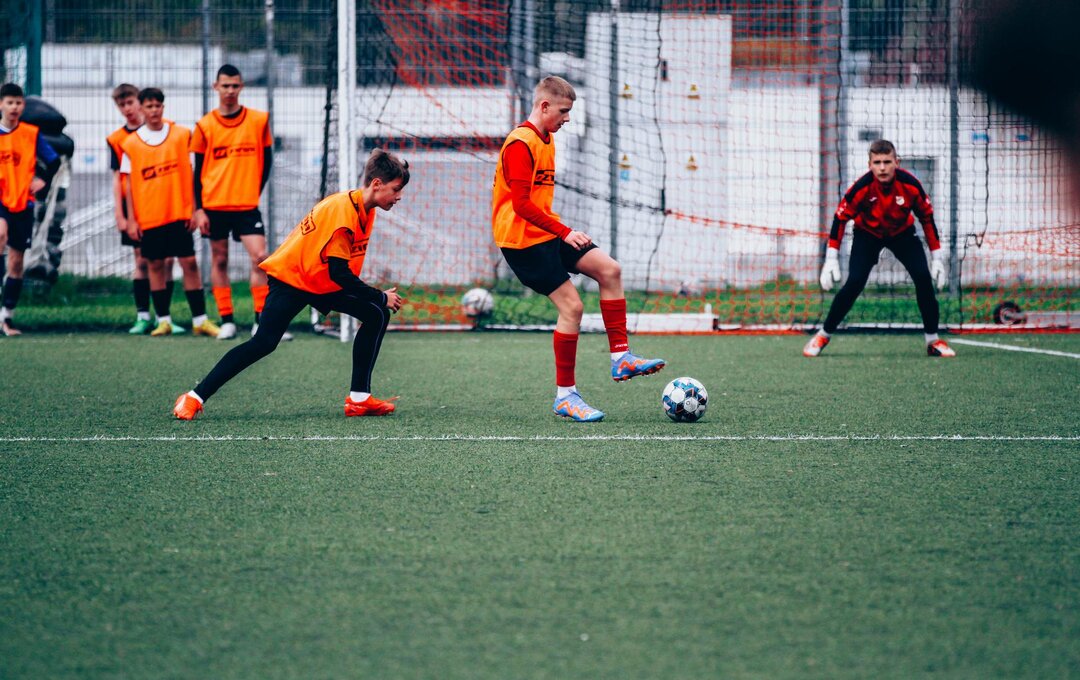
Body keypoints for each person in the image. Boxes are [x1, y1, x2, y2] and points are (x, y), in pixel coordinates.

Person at [172, 149, 410, 420]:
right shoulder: (344, 212)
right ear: (377, 184)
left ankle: (359, 399)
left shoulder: (365, 208)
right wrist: (380, 296)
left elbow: (337, 273)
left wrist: (376, 300)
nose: (399, 196)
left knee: (375, 314)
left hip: (320, 280)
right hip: (292, 280)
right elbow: (340, 274)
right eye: (396, 189)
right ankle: (193, 397)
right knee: (263, 343)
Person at [492, 76, 665, 423]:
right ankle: (565, 397)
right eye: (563, 111)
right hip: (521, 243)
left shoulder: (547, 138)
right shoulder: (520, 144)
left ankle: (621, 358)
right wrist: (565, 231)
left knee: (610, 270)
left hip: (545, 233)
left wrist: (561, 231)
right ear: (544, 106)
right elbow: (521, 205)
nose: (567, 118)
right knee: (572, 307)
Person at [803, 139, 955, 358]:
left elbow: (927, 218)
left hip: (902, 234)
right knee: (854, 282)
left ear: (896, 163)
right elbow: (840, 219)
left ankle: (933, 340)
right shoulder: (861, 187)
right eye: (877, 163)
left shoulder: (911, 185)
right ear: (870, 165)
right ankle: (823, 335)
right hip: (868, 235)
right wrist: (831, 258)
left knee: (923, 277)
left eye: (887, 162)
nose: (882, 168)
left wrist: (937, 257)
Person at [190, 64, 286, 341]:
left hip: (246, 206)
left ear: (241, 87)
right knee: (219, 260)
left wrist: (252, 190)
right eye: (225, 86)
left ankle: (260, 322)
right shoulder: (204, 126)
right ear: (216, 87)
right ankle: (227, 321)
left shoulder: (258, 121)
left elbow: (266, 162)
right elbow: (197, 172)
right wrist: (198, 209)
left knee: (261, 258)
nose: (230, 91)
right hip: (214, 206)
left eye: (235, 85)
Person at [120, 87, 219, 338]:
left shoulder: (181, 135)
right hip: (150, 215)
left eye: (158, 105)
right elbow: (128, 185)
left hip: (179, 213)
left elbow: (193, 174)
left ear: (163, 107)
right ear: (141, 109)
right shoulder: (130, 144)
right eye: (149, 106)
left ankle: (200, 320)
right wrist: (131, 219)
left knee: (189, 263)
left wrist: (195, 209)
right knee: (154, 264)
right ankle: (163, 320)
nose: (154, 110)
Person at [107, 83, 181, 335]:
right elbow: (118, 178)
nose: (127, 109)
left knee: (167, 260)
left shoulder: (165, 129)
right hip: (135, 206)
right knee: (142, 260)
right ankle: (142, 315)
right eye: (122, 105)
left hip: (163, 202)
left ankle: (164, 317)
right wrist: (121, 214)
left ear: (140, 103)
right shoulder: (118, 139)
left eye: (130, 103)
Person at [0, 82, 60, 336]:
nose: (14, 107)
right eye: (9, 102)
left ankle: (7, 316)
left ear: (23, 106)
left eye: (18, 102)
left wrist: (42, 180)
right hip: (1, 201)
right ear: (1, 105)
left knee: (16, 262)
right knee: (0, 234)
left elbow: (53, 161)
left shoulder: (31, 134)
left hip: (23, 202)